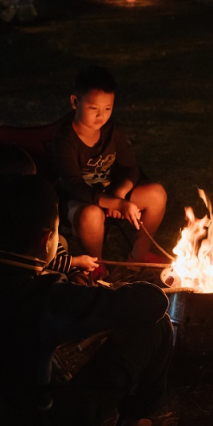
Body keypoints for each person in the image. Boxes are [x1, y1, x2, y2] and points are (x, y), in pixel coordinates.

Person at [0, 174, 178, 426]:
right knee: (156, 326)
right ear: (47, 240)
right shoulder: (45, 297)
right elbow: (153, 303)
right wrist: (116, 291)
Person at [52, 65, 167, 271]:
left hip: (112, 195)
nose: (101, 116)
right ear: (75, 102)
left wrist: (119, 194)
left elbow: (131, 168)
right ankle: (97, 266)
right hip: (78, 202)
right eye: (93, 108)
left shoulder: (112, 131)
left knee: (156, 194)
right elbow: (74, 185)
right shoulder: (65, 139)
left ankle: (138, 257)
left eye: (107, 108)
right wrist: (114, 203)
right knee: (91, 214)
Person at [0, 142, 98, 281]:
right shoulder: (3, 226)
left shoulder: (27, 212)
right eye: (31, 181)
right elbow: (35, 257)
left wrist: (72, 271)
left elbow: (50, 243)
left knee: (61, 241)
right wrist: (73, 262)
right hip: (17, 278)